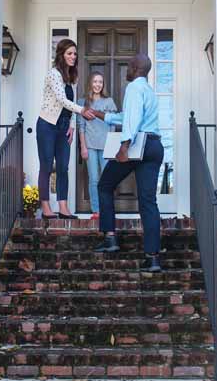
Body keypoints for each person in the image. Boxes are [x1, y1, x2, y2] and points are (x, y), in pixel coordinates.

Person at [88, 54, 164, 272]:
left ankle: (110, 238)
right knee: (148, 201)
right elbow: (128, 115)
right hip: (154, 145)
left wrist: (124, 146)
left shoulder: (133, 88)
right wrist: (101, 115)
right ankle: (152, 258)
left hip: (136, 144)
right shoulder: (149, 90)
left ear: (135, 68)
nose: (126, 70)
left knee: (104, 185)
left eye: (129, 66)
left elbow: (132, 121)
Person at [37, 39, 94, 220]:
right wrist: (82, 111)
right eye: (69, 53)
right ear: (61, 55)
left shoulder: (71, 79)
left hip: (63, 128)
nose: (73, 57)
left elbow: (71, 104)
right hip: (47, 125)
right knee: (46, 166)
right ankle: (45, 207)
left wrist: (71, 126)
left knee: (63, 167)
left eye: (75, 54)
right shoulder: (54, 74)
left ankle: (63, 207)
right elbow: (62, 100)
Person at [78, 72, 117, 220]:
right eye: (95, 81)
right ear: (90, 83)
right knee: (94, 179)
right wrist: (83, 147)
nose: (97, 85)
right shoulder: (83, 103)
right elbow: (81, 126)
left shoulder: (109, 102)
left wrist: (112, 146)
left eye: (100, 82)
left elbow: (113, 124)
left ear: (103, 85)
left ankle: (107, 209)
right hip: (90, 146)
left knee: (107, 179)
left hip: (106, 145)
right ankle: (96, 210)